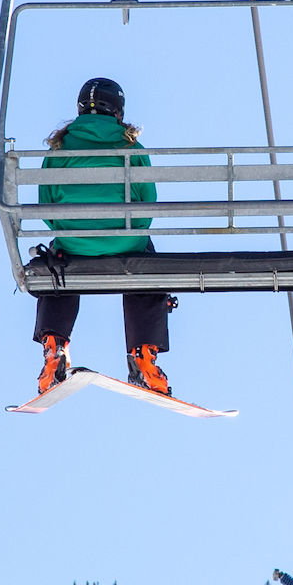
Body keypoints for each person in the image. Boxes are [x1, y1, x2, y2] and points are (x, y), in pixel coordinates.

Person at [30, 77, 181, 398]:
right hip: (125, 242)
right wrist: (130, 234)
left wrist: (71, 233)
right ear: (118, 111)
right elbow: (146, 206)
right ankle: (144, 357)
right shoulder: (131, 148)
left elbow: (48, 206)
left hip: (74, 245)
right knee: (147, 264)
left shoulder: (59, 149)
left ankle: (54, 347)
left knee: (55, 263)